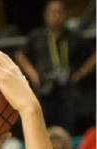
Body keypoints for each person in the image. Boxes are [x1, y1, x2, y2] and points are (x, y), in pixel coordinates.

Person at [14, 0, 96, 132]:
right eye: (52, 12)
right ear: (45, 15)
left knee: (67, 128)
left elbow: (94, 55)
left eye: (60, 12)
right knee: (43, 128)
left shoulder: (73, 36)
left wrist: (81, 73)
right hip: (44, 88)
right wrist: (33, 75)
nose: (56, 16)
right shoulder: (37, 36)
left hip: (67, 90)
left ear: (66, 15)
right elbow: (20, 55)